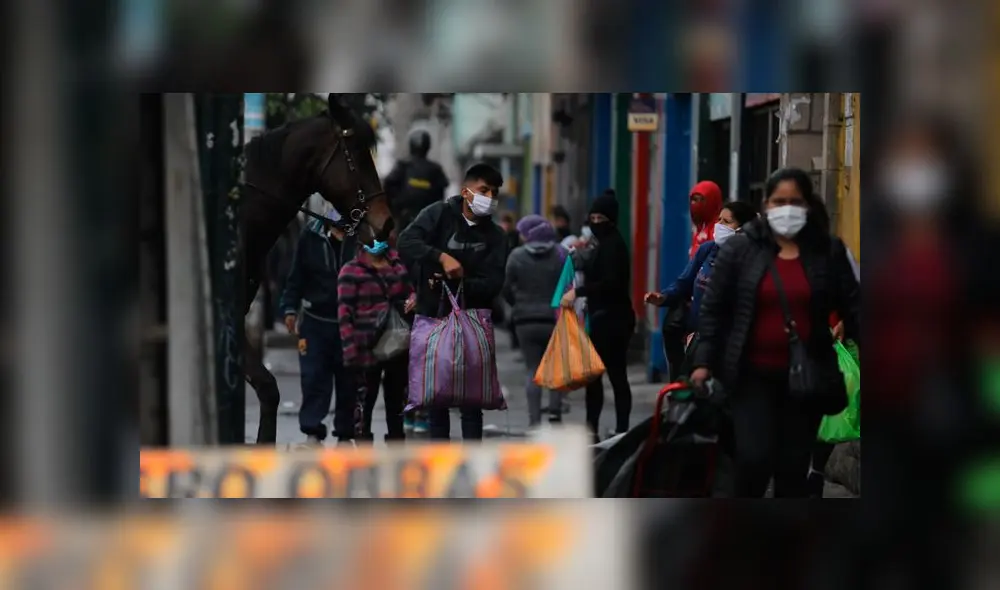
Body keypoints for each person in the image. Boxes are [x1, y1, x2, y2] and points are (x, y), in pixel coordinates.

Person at [690, 167, 860, 498]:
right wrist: (703, 361)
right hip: (749, 376)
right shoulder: (742, 250)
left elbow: (855, 304)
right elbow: (714, 308)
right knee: (753, 459)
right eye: (779, 201)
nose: (786, 208)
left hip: (804, 379)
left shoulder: (828, 251)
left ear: (808, 205)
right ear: (766, 205)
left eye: (794, 201)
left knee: (792, 469)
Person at [397, 162, 508, 441]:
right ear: (466, 190)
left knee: (471, 403)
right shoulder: (438, 215)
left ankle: (471, 462)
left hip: (473, 324)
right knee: (436, 400)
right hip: (433, 319)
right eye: (484, 190)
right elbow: (406, 242)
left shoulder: (496, 236)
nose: (489, 197)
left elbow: (493, 283)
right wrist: (440, 257)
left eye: (494, 193)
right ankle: (440, 462)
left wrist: (456, 282)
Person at [644, 200, 757, 378]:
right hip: (699, 338)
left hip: (729, 344)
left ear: (743, 229)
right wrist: (663, 297)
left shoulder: (750, 261)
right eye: (719, 220)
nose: (719, 226)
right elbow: (684, 283)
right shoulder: (707, 250)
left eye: (726, 222)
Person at [560, 192, 634, 441]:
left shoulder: (614, 246)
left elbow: (610, 282)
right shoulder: (600, 244)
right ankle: (593, 429)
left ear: (611, 219)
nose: (595, 222)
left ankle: (620, 429)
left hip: (614, 320)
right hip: (601, 317)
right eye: (592, 217)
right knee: (595, 378)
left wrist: (578, 292)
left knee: (615, 375)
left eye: (600, 217)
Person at [279, 211, 357, 445]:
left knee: (349, 382)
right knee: (313, 379)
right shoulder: (310, 236)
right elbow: (296, 276)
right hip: (315, 321)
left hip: (350, 323)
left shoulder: (360, 236)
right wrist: (289, 308)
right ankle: (312, 432)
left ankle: (345, 434)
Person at [337, 238, 417, 443]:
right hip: (365, 346)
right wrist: (349, 349)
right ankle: (364, 452)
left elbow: (411, 292)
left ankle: (396, 446)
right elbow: (344, 312)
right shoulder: (351, 271)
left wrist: (413, 298)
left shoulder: (398, 266)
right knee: (364, 402)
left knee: (396, 401)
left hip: (397, 343)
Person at [503, 215, 567, 427]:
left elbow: (506, 288)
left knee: (532, 368)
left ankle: (534, 420)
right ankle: (555, 412)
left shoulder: (516, 256)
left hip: (525, 320)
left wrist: (517, 304)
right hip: (554, 319)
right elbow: (570, 284)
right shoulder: (561, 254)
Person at [382, 129, 450, 233]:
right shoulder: (434, 169)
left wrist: (394, 210)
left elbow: (388, 186)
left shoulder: (403, 166)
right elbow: (441, 194)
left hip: (406, 218)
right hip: (426, 221)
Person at [688, 180, 724, 258]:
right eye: (694, 199)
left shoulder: (719, 230)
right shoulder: (698, 230)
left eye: (701, 200)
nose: (695, 204)